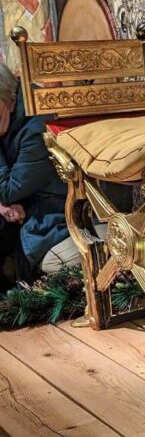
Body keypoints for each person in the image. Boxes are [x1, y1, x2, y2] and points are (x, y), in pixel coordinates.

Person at [0, 61, 77, 287]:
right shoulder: (7, 116)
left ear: (11, 100)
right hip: (26, 205)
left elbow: (9, 189)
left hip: (54, 212)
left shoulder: (36, 124)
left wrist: (7, 201)